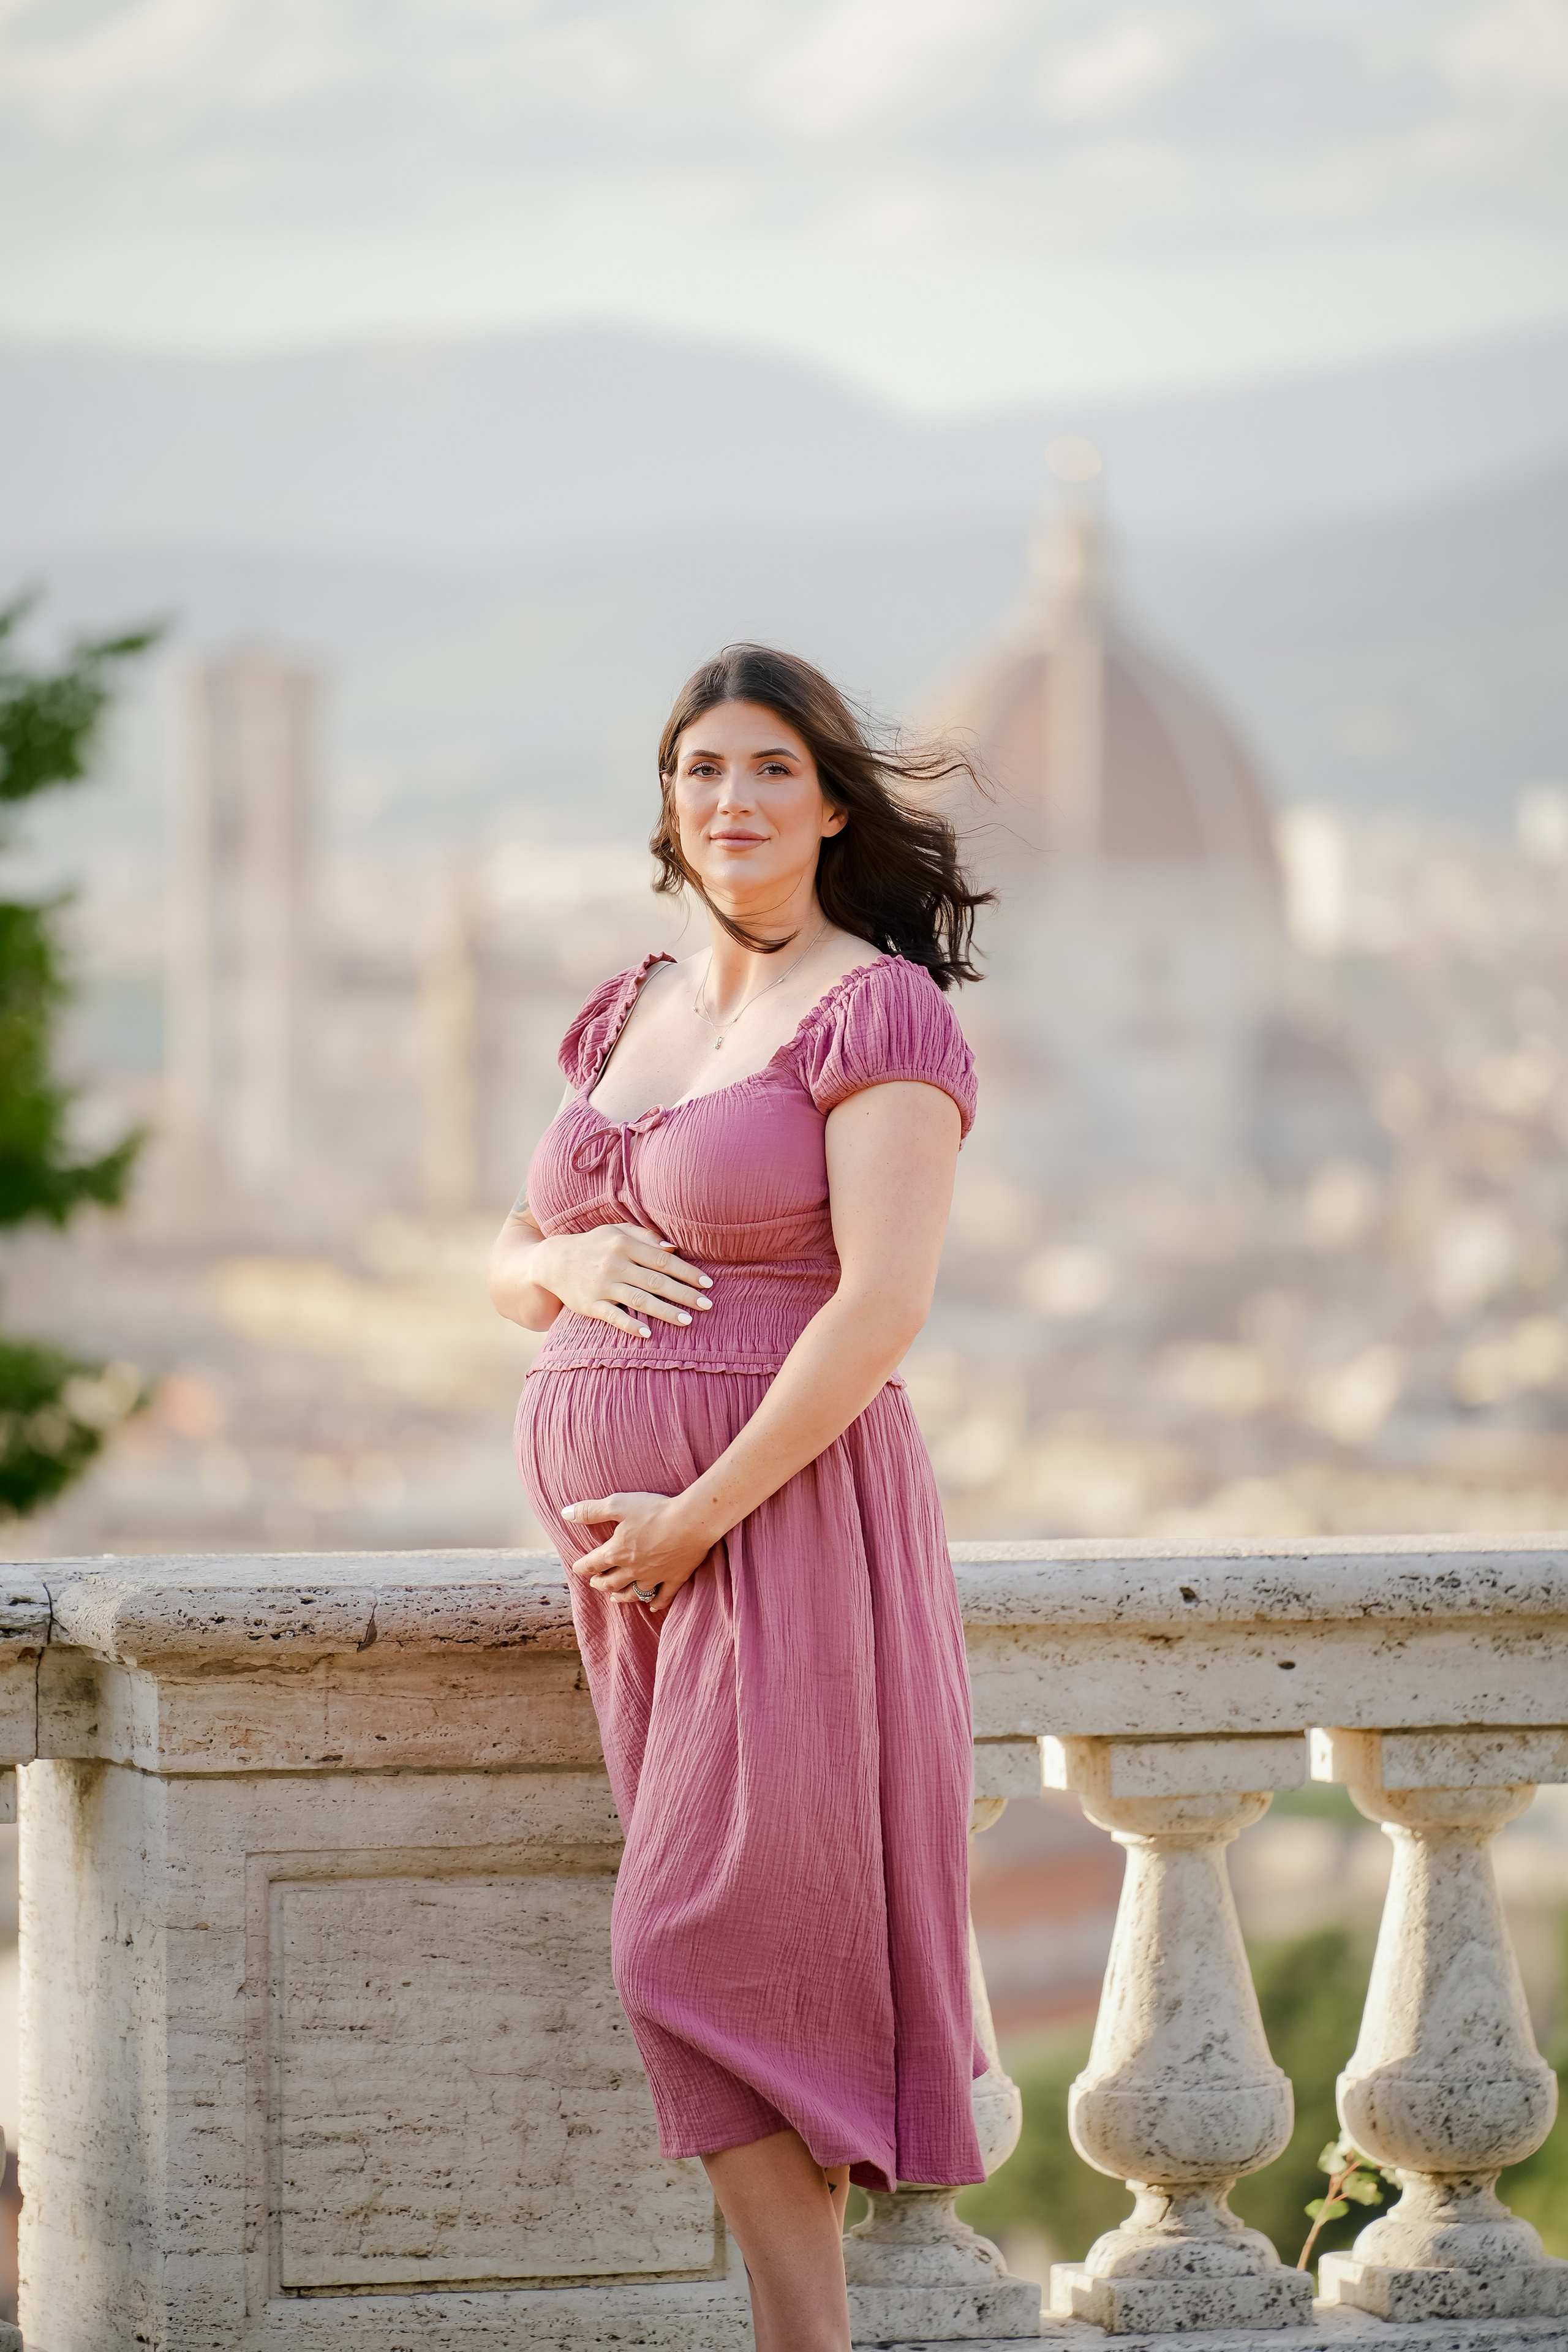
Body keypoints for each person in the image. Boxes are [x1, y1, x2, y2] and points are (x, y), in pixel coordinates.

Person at [488, 644, 993, 2352]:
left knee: (693, 1945)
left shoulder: (877, 1012)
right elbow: (501, 1269)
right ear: (667, 803)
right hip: (626, 1564)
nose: (732, 800)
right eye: (701, 770)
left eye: (770, 768)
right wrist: (560, 1252)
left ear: (833, 803)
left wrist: (700, 1510)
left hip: (773, 1527)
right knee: (726, 1949)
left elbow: (882, 1307)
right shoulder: (628, 1009)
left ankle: (809, 2337)